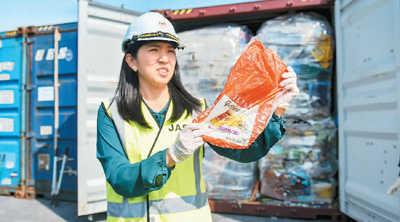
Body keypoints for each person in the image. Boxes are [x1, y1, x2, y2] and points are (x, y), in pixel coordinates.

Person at [96, 12, 299, 222]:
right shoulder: (112, 113)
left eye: (170, 51)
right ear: (132, 60)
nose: (164, 58)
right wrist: (172, 156)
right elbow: (119, 178)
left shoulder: (196, 109)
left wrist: (278, 106)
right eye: (153, 50)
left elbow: (244, 151)